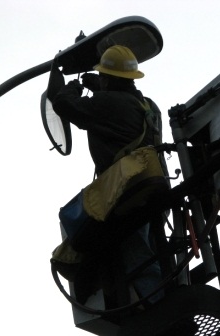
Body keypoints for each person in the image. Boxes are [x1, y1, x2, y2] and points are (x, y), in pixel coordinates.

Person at [51, 45, 168, 306]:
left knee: (136, 254)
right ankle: (162, 299)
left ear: (108, 78)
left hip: (127, 195)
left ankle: (160, 306)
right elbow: (118, 113)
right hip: (152, 189)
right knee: (153, 252)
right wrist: (99, 87)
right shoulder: (149, 106)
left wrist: (74, 87)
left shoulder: (108, 103)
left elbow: (63, 104)